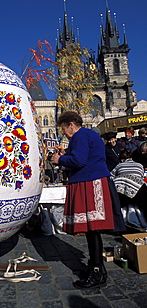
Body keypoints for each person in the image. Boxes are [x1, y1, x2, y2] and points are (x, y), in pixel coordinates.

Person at [51, 111, 125, 290]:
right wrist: (67, 152)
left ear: (71, 125)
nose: (64, 134)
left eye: (64, 130)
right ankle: (95, 266)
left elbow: (79, 160)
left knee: (94, 228)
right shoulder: (87, 135)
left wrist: (60, 158)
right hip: (91, 180)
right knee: (92, 229)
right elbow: (82, 155)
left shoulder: (81, 135)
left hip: (91, 182)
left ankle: (97, 271)